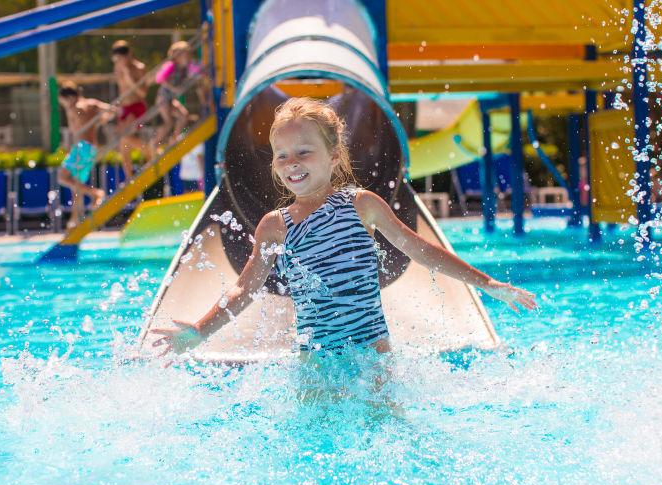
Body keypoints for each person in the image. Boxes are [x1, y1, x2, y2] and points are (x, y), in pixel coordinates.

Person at [151, 97, 536, 358]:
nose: (292, 163)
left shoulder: (361, 205)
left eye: (304, 152)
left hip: (373, 357)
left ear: (334, 156)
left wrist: (489, 284)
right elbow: (244, 289)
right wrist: (200, 331)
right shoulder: (274, 227)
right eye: (281, 155)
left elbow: (420, 250)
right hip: (315, 364)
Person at [56, 81, 111, 229]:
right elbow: (112, 110)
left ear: (69, 98)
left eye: (63, 102)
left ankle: (95, 193)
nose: (64, 105)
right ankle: (75, 220)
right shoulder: (92, 103)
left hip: (82, 147)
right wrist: (99, 121)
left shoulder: (74, 108)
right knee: (76, 184)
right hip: (91, 148)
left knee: (62, 177)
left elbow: (76, 131)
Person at [111, 40, 149, 183]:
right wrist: (118, 107)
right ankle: (129, 178)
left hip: (137, 106)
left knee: (124, 138)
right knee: (122, 145)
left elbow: (143, 93)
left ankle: (151, 153)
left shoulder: (139, 68)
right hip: (125, 108)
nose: (119, 61)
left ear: (129, 55)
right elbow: (122, 90)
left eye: (121, 58)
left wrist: (128, 76)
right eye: (117, 59)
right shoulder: (117, 68)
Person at [153, 40, 202, 152]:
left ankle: (173, 140)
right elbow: (160, 79)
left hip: (171, 99)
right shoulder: (171, 66)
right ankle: (155, 143)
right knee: (169, 121)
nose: (187, 57)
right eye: (184, 55)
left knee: (184, 116)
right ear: (177, 57)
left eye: (188, 54)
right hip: (163, 98)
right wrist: (174, 88)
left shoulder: (187, 67)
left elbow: (197, 72)